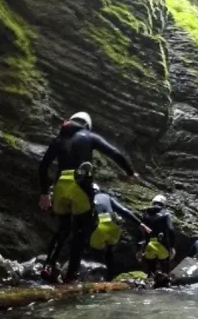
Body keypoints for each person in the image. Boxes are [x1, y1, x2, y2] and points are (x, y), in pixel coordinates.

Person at [38, 111, 139, 283]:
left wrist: (44, 194)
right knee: (79, 232)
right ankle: (70, 276)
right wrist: (130, 172)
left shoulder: (59, 140)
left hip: (60, 185)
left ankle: (48, 265)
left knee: (62, 230)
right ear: (87, 125)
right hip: (80, 185)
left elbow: (43, 167)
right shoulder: (88, 136)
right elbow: (114, 153)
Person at [89, 184, 151, 281]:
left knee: (94, 250)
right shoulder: (107, 197)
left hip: (100, 228)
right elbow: (123, 210)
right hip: (114, 228)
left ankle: (97, 276)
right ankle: (110, 277)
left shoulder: (88, 197)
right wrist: (140, 224)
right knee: (109, 251)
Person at [139, 194, 175, 286]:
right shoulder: (165, 213)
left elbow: (141, 231)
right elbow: (171, 230)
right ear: (163, 203)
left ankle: (149, 289)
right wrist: (172, 246)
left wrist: (141, 247)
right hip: (162, 244)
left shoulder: (145, 213)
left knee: (151, 272)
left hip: (149, 244)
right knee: (165, 271)